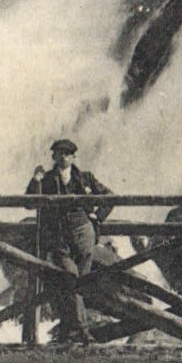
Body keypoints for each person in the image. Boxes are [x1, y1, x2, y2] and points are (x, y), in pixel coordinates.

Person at [26, 138, 113, 343]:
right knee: (70, 277)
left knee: (80, 282)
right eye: (59, 153)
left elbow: (110, 196)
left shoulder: (85, 177)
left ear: (74, 157)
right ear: (54, 156)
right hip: (58, 236)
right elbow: (29, 204)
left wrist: (98, 217)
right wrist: (35, 180)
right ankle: (82, 330)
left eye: (67, 153)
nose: (63, 157)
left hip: (83, 232)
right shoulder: (46, 178)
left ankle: (67, 330)